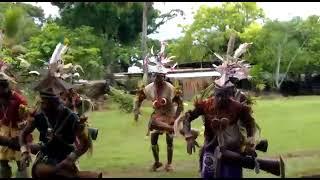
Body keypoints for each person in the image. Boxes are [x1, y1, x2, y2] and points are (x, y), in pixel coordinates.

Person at [179, 60, 285, 178]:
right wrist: (188, 136)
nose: (220, 99)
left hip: (232, 149)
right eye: (218, 95)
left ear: (230, 93)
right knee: (207, 176)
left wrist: (250, 140)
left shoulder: (238, 107)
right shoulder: (205, 105)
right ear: (215, 92)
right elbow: (187, 118)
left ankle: (260, 164)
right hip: (211, 148)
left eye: (224, 95)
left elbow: (250, 123)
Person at [19, 86, 100, 178]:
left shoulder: (71, 118)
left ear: (54, 102)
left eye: (45, 103)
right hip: (45, 159)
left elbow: (85, 144)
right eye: (41, 103)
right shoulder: (39, 116)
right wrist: (24, 152)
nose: (42, 106)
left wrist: (71, 158)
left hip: (66, 159)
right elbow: (23, 134)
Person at [133, 63, 195, 172]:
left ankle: (169, 164)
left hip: (170, 114)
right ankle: (157, 162)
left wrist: (175, 119)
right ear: (153, 76)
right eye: (156, 76)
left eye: (160, 76)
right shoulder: (149, 88)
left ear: (164, 77)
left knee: (169, 140)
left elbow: (180, 105)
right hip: (157, 115)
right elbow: (139, 98)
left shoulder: (171, 88)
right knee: (153, 139)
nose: (158, 78)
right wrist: (136, 110)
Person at [0, 72, 30, 178]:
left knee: (20, 162)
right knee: (2, 160)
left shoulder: (19, 100)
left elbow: (27, 119)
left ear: (6, 88)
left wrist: (23, 120)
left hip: (17, 131)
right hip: (4, 130)